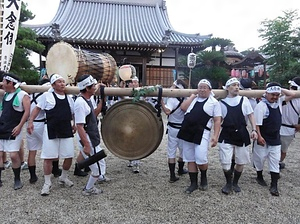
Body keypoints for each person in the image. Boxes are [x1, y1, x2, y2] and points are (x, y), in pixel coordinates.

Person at [27, 74, 76, 196]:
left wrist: (74, 124)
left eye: (63, 81)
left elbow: (73, 112)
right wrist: (30, 121)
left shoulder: (69, 98)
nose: (62, 84)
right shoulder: (46, 96)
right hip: (51, 129)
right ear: (53, 85)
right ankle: (47, 183)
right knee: (48, 157)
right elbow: (37, 109)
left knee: (69, 156)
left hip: (65, 129)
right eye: (59, 82)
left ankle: (63, 177)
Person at [177, 79, 221, 193]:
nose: (202, 89)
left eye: (204, 87)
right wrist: (191, 97)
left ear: (209, 89)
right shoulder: (193, 99)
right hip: (187, 130)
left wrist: (215, 136)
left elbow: (217, 120)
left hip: (202, 132)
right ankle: (193, 183)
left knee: (201, 158)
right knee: (190, 158)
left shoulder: (214, 103)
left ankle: (204, 176)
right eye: (200, 87)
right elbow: (183, 108)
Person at [253, 82, 295, 196]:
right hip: (263, 137)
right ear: (266, 93)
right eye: (272, 94)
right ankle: (259, 176)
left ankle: (274, 185)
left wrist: (280, 88)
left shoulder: (280, 102)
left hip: (275, 137)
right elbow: (257, 124)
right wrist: (259, 137)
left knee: (275, 161)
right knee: (259, 159)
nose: (275, 97)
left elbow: (291, 94)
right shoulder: (261, 105)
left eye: (277, 94)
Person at [218, 77, 257, 195]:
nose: (236, 87)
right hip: (226, 133)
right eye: (233, 85)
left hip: (241, 132)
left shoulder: (244, 100)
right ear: (228, 88)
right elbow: (218, 120)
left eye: (237, 85)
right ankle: (228, 182)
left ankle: (235, 182)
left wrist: (254, 130)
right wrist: (214, 135)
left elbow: (251, 115)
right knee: (225, 161)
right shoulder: (221, 102)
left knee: (241, 161)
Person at [74, 74, 105, 196]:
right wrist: (86, 145)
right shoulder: (80, 103)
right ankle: (88, 189)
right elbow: (79, 126)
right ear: (87, 88)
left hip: (92, 136)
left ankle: (99, 178)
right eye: (93, 86)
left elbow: (94, 113)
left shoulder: (87, 98)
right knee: (96, 169)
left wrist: (101, 94)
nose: (95, 88)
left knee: (100, 160)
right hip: (87, 138)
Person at [0, 73, 30, 189]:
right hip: (2, 127)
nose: (2, 83)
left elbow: (27, 112)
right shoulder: (6, 94)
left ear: (10, 83)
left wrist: (20, 126)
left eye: (4, 81)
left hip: (14, 129)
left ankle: (17, 179)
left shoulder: (23, 95)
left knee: (13, 155)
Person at [161, 79, 188, 183]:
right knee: (182, 150)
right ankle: (180, 170)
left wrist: (162, 102)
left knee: (171, 151)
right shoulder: (187, 98)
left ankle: (172, 175)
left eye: (173, 86)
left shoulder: (172, 100)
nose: (171, 88)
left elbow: (167, 111)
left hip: (173, 128)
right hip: (183, 128)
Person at [26, 79, 51, 183]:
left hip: (30, 124)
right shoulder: (45, 95)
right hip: (41, 123)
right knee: (50, 148)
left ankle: (32, 176)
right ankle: (54, 170)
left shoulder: (30, 94)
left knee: (32, 151)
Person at [279, 77, 300, 169]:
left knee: (277, 149)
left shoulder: (282, 96)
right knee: (283, 150)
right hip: (289, 129)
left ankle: (276, 164)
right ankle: (278, 163)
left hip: (281, 127)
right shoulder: (283, 97)